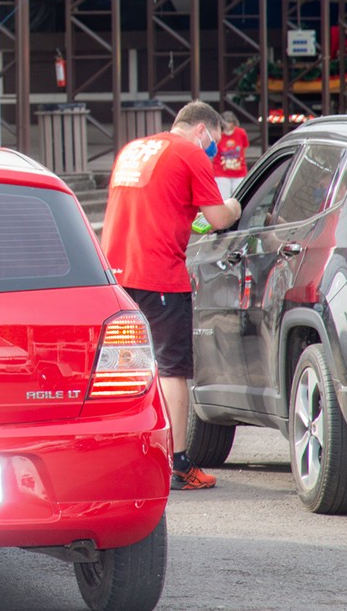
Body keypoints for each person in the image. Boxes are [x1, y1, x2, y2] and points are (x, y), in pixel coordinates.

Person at [101, 100, 243, 492]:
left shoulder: (134, 149)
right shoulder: (189, 152)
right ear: (201, 130)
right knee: (172, 370)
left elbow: (156, 205)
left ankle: (123, 452)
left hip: (115, 274)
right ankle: (178, 463)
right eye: (213, 143)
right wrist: (234, 205)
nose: (213, 150)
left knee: (125, 368)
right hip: (159, 275)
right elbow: (217, 218)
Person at [213, 110, 251, 201]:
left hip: (239, 172)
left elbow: (244, 147)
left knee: (240, 198)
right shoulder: (218, 134)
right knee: (224, 198)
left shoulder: (241, 133)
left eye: (230, 123)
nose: (228, 126)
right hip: (221, 173)